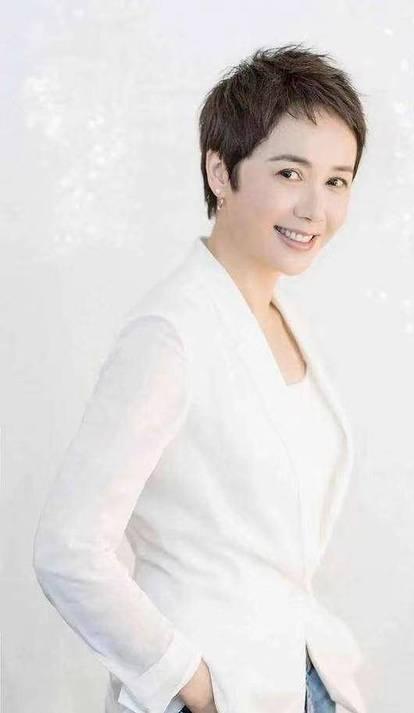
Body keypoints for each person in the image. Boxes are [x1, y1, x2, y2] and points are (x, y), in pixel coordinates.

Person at [32, 43, 368, 713]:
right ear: (220, 170)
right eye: (290, 172)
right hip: (219, 689)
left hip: (300, 677)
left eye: (337, 180)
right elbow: (69, 547)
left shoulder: (280, 317)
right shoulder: (171, 333)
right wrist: (192, 683)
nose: (315, 207)